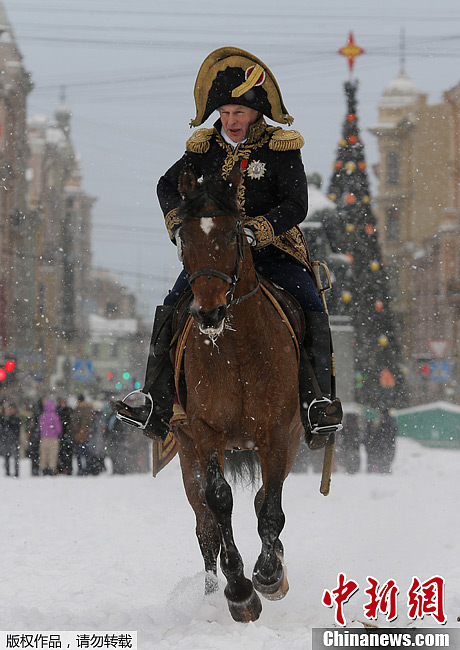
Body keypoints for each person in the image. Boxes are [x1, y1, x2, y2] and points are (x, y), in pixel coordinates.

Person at [116, 46, 342, 448]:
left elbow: (296, 204)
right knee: (173, 302)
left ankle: (317, 403)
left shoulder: (280, 146)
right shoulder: (203, 149)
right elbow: (165, 186)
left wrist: (258, 230)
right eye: (224, 112)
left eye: (239, 112)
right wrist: (179, 225)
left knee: (309, 300)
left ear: (256, 112)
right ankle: (155, 398)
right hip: (216, 257)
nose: (231, 121)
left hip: (274, 252)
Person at [365, 406, 397, 474]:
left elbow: (377, 434)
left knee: (382, 462)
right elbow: (394, 433)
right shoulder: (392, 421)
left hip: (382, 445)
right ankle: (387, 473)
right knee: (387, 462)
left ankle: (383, 474)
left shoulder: (381, 422)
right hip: (390, 445)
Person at [38, 400, 62, 475]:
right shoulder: (55, 416)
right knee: (52, 454)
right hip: (53, 438)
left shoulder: (42, 416)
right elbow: (58, 429)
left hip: (44, 438)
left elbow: (39, 427)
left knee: (44, 454)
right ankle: (51, 469)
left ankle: (44, 469)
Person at [73, 394, 93, 476]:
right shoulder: (89, 408)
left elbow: (74, 421)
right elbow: (90, 420)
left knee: (79, 454)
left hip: (79, 434)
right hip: (87, 434)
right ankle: (88, 469)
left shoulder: (77, 409)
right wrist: (87, 429)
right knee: (87, 453)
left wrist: (77, 429)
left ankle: (80, 470)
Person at [57, 397, 74, 475]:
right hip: (60, 435)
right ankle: (61, 469)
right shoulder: (57, 410)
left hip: (68, 434)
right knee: (61, 453)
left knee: (69, 453)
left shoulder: (69, 410)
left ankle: (69, 469)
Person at [4, 403, 21, 477]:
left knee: (15, 457)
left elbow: (16, 427)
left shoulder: (17, 419)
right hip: (7, 440)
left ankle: (16, 472)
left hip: (14, 440)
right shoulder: (5, 418)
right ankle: (7, 471)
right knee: (7, 456)